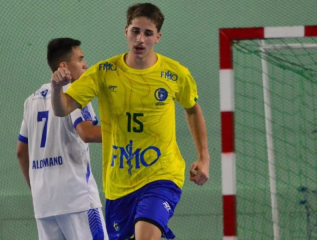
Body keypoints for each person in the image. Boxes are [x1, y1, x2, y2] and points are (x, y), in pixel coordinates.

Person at [50, 3, 210, 240]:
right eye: (135, 31)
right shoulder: (104, 72)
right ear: (126, 31)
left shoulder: (176, 74)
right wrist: (56, 88)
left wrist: (204, 157)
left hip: (162, 175)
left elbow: (192, 109)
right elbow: (62, 109)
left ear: (158, 37)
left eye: (148, 33)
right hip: (119, 184)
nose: (140, 39)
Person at [16, 38, 108, 240]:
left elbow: (21, 152)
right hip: (76, 199)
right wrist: (131, 133)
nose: (85, 65)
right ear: (64, 66)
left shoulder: (31, 100)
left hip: (44, 203)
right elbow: (88, 133)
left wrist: (38, 190)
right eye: (80, 59)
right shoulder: (75, 92)